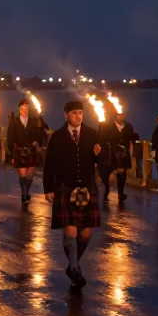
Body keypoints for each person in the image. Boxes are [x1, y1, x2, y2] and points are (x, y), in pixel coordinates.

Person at [43, 100, 102, 289]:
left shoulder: (93, 134)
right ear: (66, 114)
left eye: (81, 112)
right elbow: (49, 163)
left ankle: (72, 263)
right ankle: (75, 269)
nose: (78, 116)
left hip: (86, 188)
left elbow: (101, 162)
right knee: (70, 231)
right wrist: (48, 188)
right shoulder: (58, 136)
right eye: (75, 113)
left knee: (85, 233)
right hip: (64, 188)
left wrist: (99, 154)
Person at [6, 99, 43, 208]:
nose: (25, 110)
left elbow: (39, 135)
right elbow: (10, 139)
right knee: (22, 175)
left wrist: (39, 127)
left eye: (26, 108)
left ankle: (26, 193)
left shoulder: (34, 121)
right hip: (19, 151)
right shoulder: (14, 122)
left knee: (29, 176)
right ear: (19, 109)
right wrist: (11, 155)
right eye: (22, 109)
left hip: (31, 151)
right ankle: (24, 195)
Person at [98, 109, 138, 204]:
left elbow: (132, 137)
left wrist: (135, 137)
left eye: (122, 115)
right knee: (106, 175)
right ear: (116, 116)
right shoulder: (109, 127)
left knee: (122, 174)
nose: (121, 117)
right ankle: (106, 193)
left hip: (123, 154)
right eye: (119, 115)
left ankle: (121, 194)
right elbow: (102, 138)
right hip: (111, 154)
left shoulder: (128, 126)